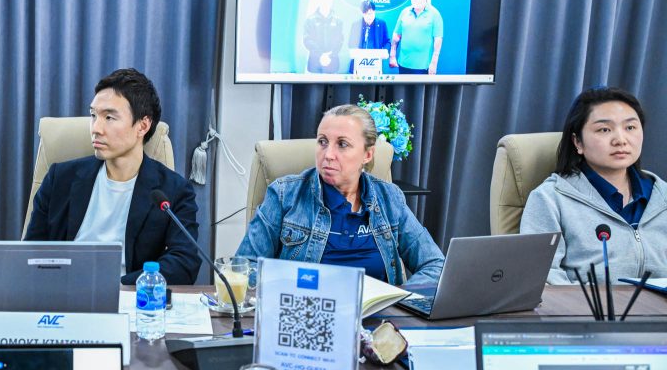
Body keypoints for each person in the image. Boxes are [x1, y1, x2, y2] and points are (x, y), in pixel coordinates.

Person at [24, 68, 200, 285]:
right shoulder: (60, 178)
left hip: (128, 295)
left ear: (143, 125)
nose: (96, 128)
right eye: (93, 116)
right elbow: (30, 253)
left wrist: (117, 286)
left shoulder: (173, 191)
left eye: (109, 117)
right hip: (62, 291)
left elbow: (184, 262)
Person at [237, 105, 444, 286]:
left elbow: (435, 265)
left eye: (342, 144)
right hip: (308, 310)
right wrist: (291, 289)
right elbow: (245, 268)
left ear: (367, 154)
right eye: (322, 142)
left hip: (378, 316)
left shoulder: (390, 198)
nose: (328, 155)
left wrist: (398, 300)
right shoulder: (285, 195)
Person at [521, 88, 666, 284]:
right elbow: (542, 278)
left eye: (630, 127)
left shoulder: (662, 195)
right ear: (578, 142)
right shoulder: (549, 199)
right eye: (604, 130)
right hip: (585, 304)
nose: (620, 140)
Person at [390, 0, 443, 75]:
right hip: (403, 64)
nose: (414, 0)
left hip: (423, 67)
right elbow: (396, 36)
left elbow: (438, 40)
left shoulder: (434, 14)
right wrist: (392, 55)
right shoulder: (405, 12)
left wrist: (434, 63)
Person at [303, 0, 344, 74]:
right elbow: (307, 40)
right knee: (314, 83)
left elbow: (339, 41)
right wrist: (321, 55)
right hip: (314, 63)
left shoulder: (338, 21)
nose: (327, 0)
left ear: (332, 0)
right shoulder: (310, 20)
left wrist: (329, 55)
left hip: (332, 62)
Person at [348, 0, 390, 73]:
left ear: (374, 12)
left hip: (375, 63)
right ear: (362, 13)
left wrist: (385, 51)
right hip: (358, 62)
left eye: (371, 13)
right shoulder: (356, 25)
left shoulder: (381, 24)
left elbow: (387, 42)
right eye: (366, 14)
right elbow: (351, 43)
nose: (369, 16)